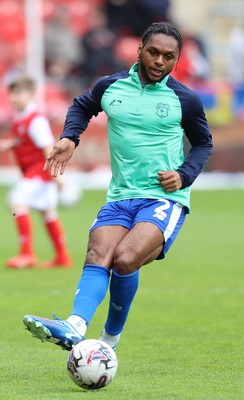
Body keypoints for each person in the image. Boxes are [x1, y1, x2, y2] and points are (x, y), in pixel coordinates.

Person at [23, 22, 213, 350]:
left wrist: (184, 175)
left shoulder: (185, 99)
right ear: (139, 51)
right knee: (98, 253)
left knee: (125, 258)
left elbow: (203, 143)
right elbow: (82, 106)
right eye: (153, 52)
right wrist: (70, 137)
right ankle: (74, 325)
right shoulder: (111, 86)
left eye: (169, 57)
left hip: (163, 199)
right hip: (121, 195)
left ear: (176, 61)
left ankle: (109, 340)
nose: (159, 61)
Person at [0, 77, 72, 269]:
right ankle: (62, 257)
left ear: (31, 94)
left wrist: (56, 175)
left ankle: (27, 254)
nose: (14, 98)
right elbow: (24, 141)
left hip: (38, 172)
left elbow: (48, 147)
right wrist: (10, 144)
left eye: (18, 93)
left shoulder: (36, 120)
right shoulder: (20, 118)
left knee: (17, 203)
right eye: (12, 94)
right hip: (35, 172)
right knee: (47, 211)